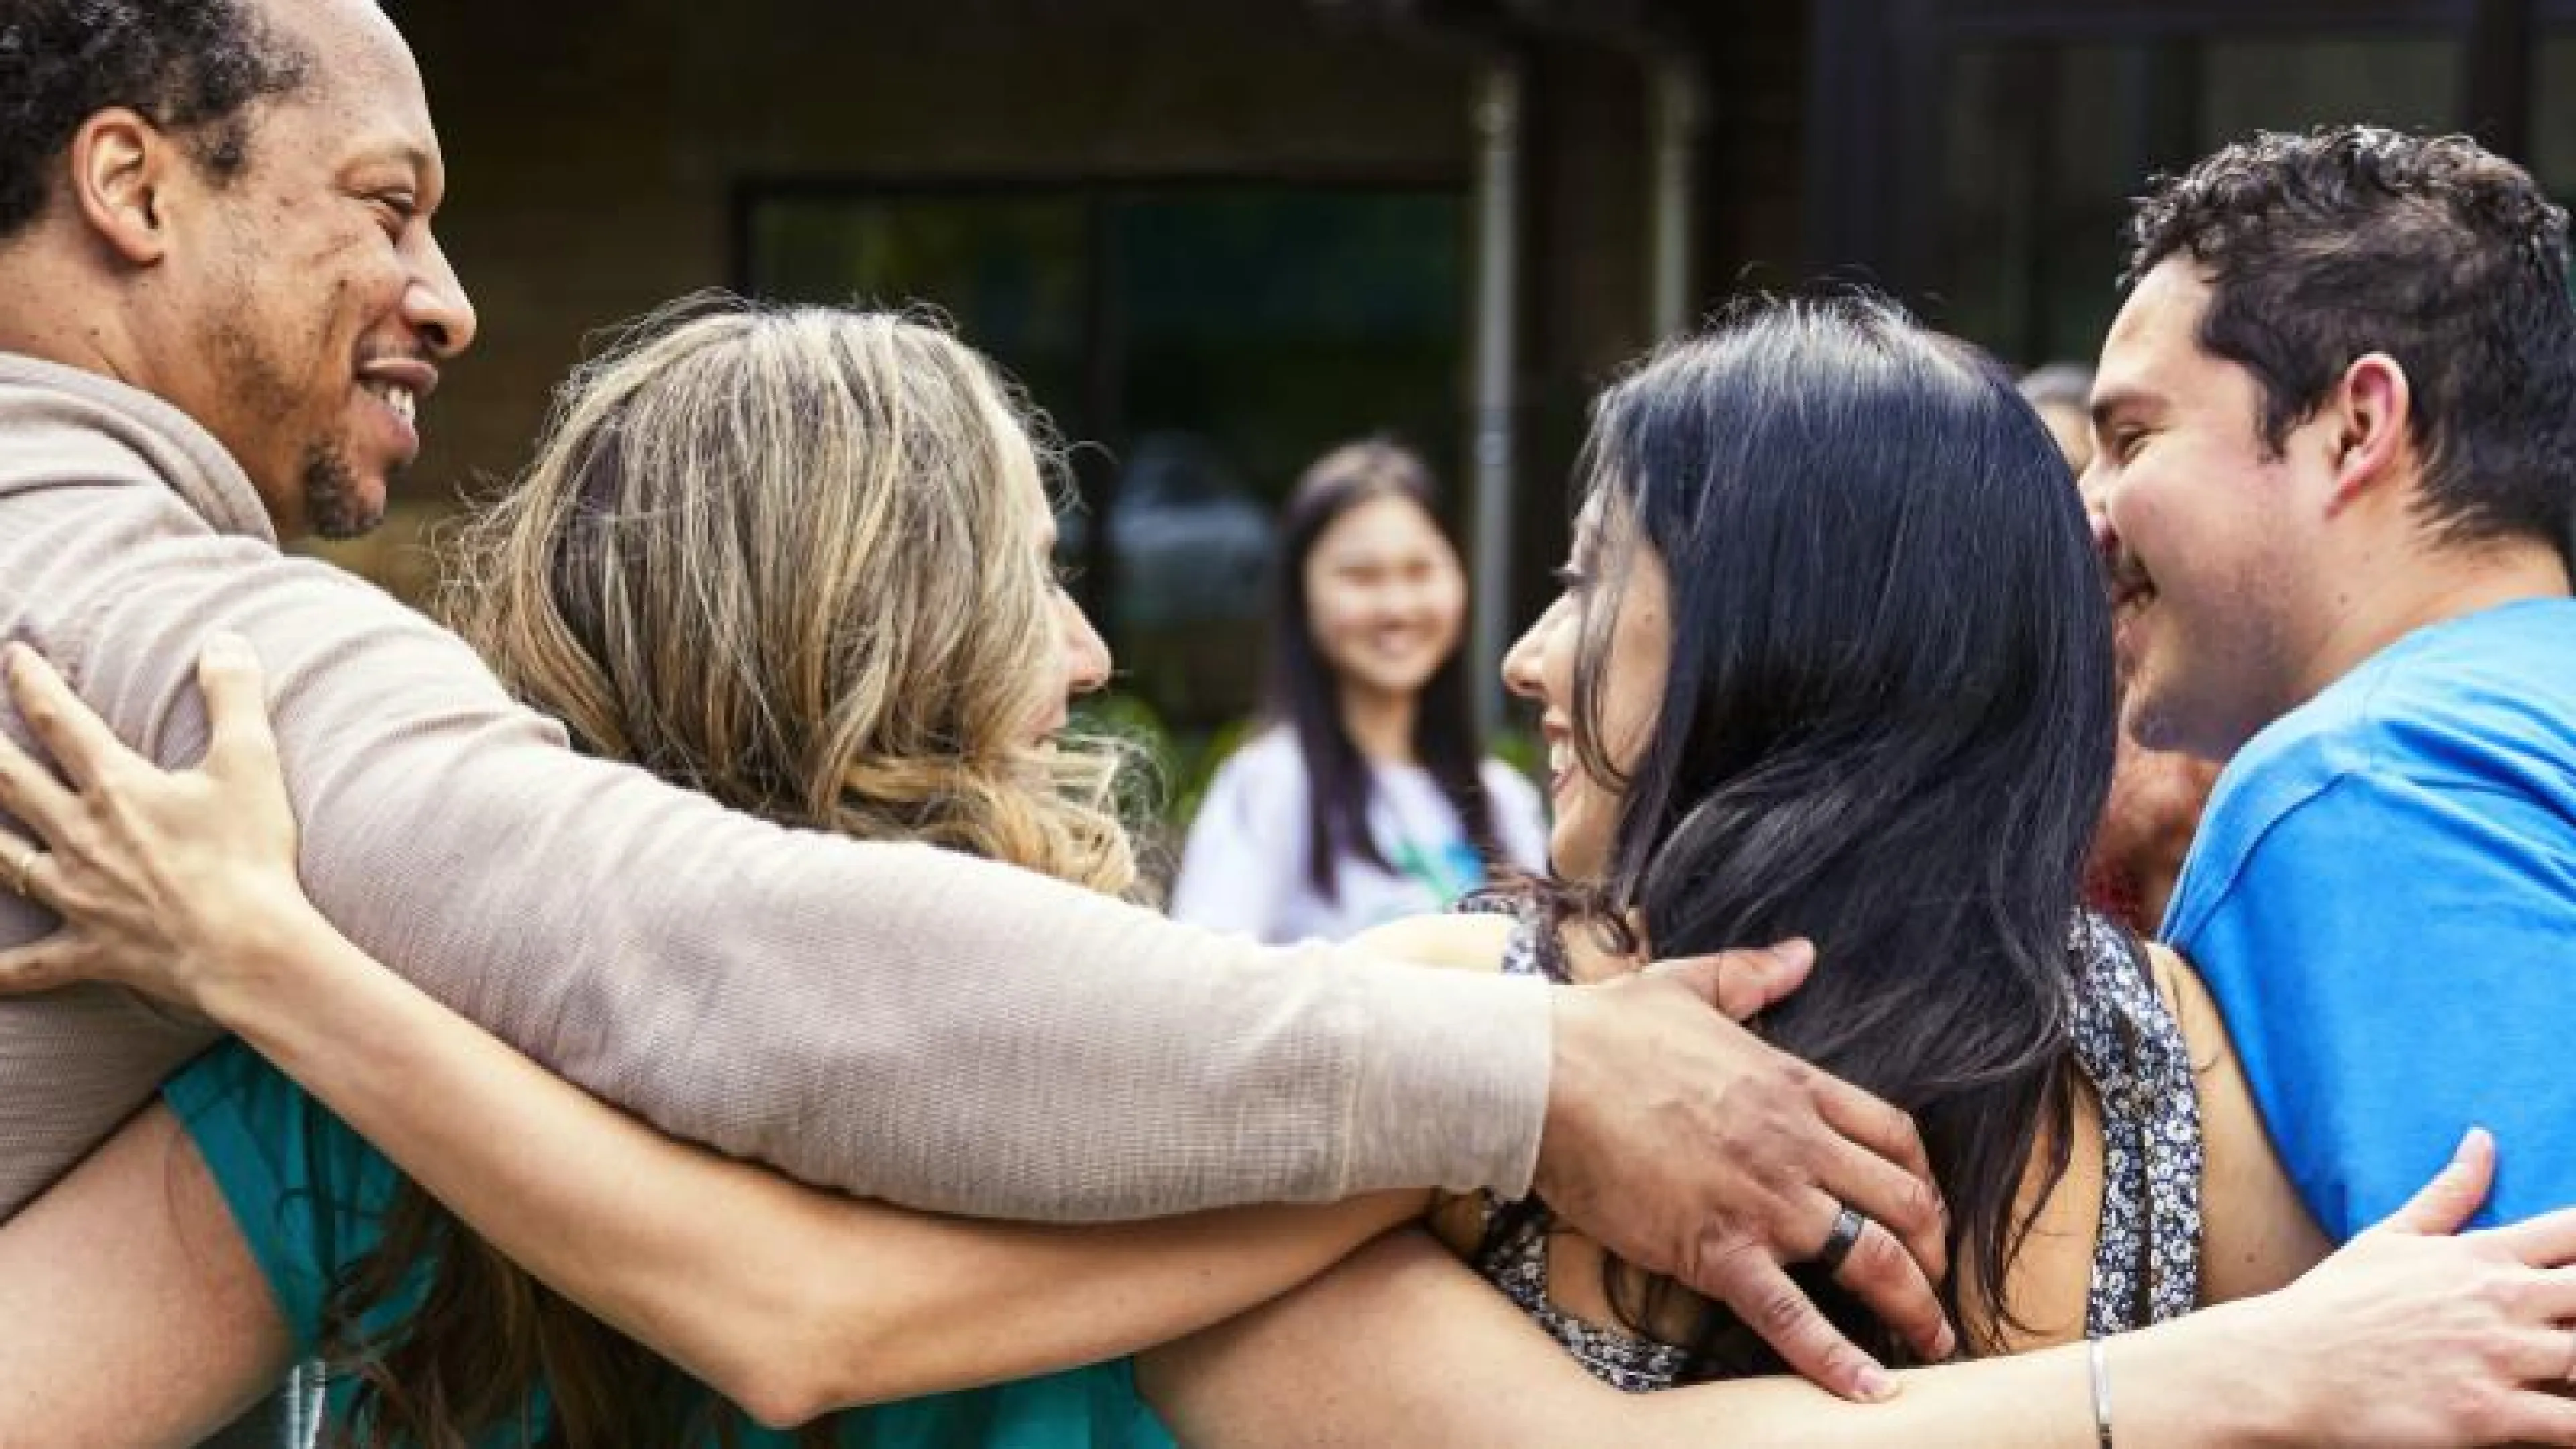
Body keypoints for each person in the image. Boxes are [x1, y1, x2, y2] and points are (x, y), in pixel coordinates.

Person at [11, 297, 2576, 1449]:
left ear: (1791, 645)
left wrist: (294, 970)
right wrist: (2223, 1385)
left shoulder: (1392, 1040)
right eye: (1029, 578)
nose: (1528, 652)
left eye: (1594, 579)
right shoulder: (1382, 1046)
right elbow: (796, 1317)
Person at [0, 0, 1958, 1405]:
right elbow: (727, 1024)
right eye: (386, 203)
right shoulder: (175, 649)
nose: (449, 294)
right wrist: (1529, 1083)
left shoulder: (333, 1095)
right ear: (132, 186)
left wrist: (285, 975)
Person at [2084, 126, 2576, 1238]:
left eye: (2131, 438)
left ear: (2357, 427)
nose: (2088, 508)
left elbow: (2528, 1323)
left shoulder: (2359, 785)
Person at [1171, 441, 1548, 941]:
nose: (1397, 606)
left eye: (1420, 571)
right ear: (1301, 594)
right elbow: (1208, 971)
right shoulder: (1271, 785)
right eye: (1361, 576)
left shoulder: (1504, 800)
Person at [2021, 362, 2220, 933]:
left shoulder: (2188, 734)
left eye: (2073, 474)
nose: (2080, 514)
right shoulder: (1992, 678)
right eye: (2031, 485)